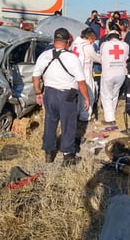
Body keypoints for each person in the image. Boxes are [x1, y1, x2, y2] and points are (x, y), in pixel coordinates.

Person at [32, 28, 90, 166]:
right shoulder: (72, 58)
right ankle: (67, 155)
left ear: (54, 41)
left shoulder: (44, 56)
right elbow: (81, 82)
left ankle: (49, 153)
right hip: (66, 96)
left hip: (49, 94)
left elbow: (35, 77)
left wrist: (38, 93)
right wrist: (86, 98)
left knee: (50, 123)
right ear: (68, 42)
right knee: (68, 125)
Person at [70, 27, 101, 121]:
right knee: (90, 95)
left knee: (79, 95)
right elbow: (96, 58)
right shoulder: (87, 46)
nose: (93, 42)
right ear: (90, 38)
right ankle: (85, 116)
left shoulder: (75, 44)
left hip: (74, 72)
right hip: (85, 71)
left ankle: (78, 112)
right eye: (93, 40)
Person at [99, 30, 129, 124]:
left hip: (108, 73)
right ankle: (112, 113)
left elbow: (101, 55)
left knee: (106, 95)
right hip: (121, 73)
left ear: (109, 37)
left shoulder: (104, 44)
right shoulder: (125, 45)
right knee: (115, 94)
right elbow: (126, 57)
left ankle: (110, 119)